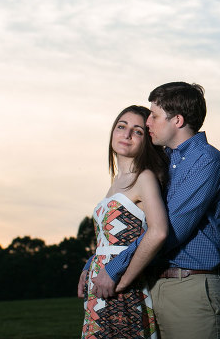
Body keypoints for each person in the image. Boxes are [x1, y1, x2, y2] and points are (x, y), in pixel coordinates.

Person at [87, 82, 220, 339]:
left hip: (188, 287)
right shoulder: (167, 161)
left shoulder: (206, 161)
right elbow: (137, 225)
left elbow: (169, 230)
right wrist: (94, 263)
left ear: (177, 120)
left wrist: (114, 268)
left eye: (154, 115)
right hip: (151, 286)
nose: (148, 122)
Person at [79, 105, 169, 339]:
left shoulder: (144, 177)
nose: (127, 134)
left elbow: (158, 231)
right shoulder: (115, 183)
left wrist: (121, 279)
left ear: (146, 140)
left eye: (137, 131)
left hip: (121, 285)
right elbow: (109, 240)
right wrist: (90, 264)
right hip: (100, 287)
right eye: (121, 126)